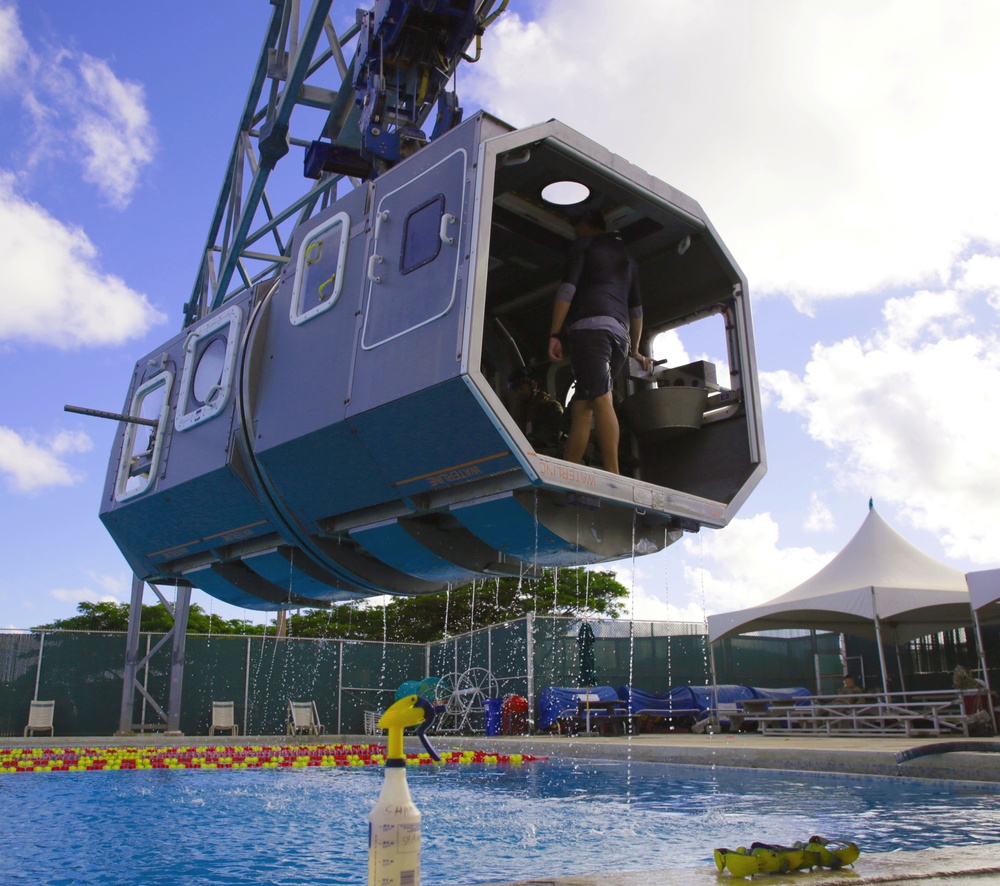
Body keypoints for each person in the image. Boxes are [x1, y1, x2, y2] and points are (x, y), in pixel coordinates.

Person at [547, 209, 652, 473]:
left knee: (601, 398)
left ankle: (613, 474)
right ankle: (570, 471)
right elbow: (637, 312)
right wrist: (635, 350)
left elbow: (567, 289)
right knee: (583, 405)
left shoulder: (583, 246)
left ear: (584, 225)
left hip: (591, 331)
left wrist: (555, 334)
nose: (575, 231)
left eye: (576, 226)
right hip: (620, 337)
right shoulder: (629, 260)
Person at [506, 366, 564, 454]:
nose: (518, 393)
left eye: (521, 388)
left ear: (534, 385)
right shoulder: (520, 413)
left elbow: (551, 438)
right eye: (515, 390)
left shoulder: (551, 408)